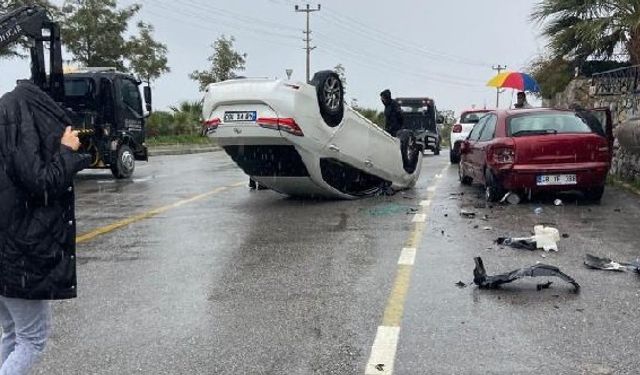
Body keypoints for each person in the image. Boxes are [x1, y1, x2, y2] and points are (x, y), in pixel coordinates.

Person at [0, 81, 91, 375]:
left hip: (6, 249)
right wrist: (66, 152)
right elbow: (41, 183)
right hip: (17, 252)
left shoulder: (6, 116)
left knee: (13, 334)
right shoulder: (20, 122)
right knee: (31, 340)